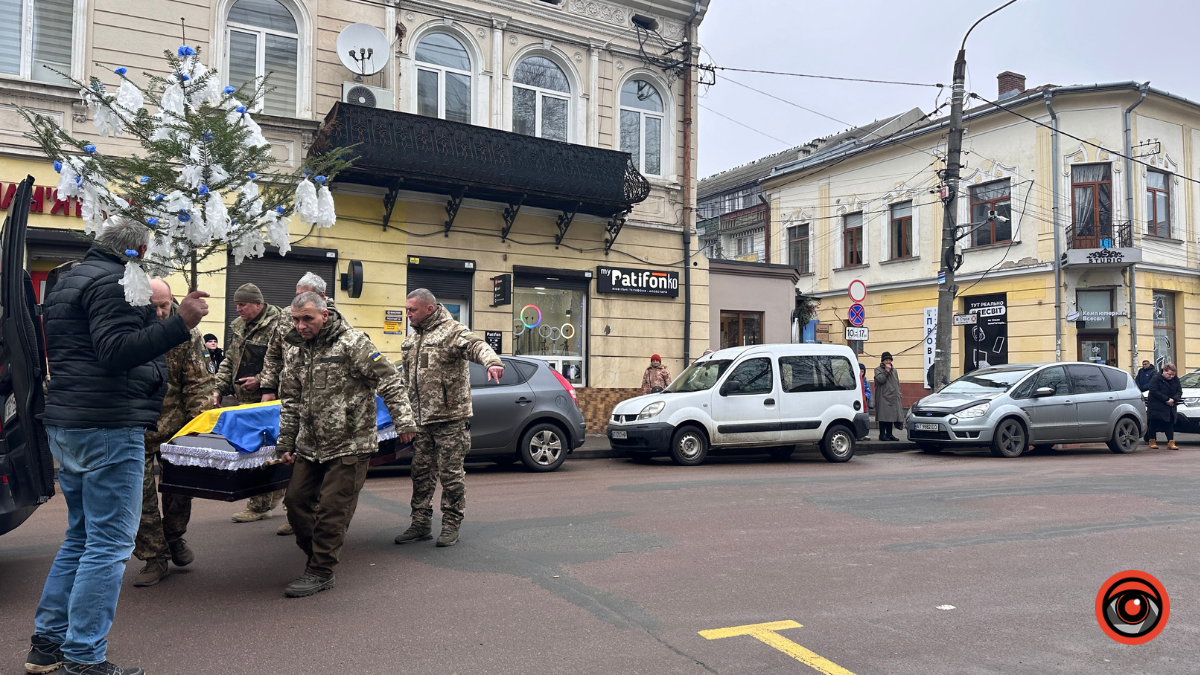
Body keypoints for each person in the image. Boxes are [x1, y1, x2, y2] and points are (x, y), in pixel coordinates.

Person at [25, 219, 209, 675]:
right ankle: (83, 657)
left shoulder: (69, 280)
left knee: (82, 537)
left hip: (72, 422)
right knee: (108, 545)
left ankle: (47, 644)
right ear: (139, 250)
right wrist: (180, 324)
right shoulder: (114, 282)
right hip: (107, 426)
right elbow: (115, 352)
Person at [276, 292, 417, 597]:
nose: (300, 326)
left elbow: (390, 380)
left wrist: (404, 421)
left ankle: (320, 571)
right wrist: (286, 441)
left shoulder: (353, 343)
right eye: (295, 319)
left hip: (349, 443)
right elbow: (289, 400)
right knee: (295, 502)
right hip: (310, 445)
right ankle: (318, 556)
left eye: (307, 319)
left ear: (324, 315)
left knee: (332, 510)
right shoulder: (296, 351)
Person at [395, 289, 503, 548]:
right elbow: (405, 379)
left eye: (412, 310)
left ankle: (451, 525)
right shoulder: (411, 341)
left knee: (451, 474)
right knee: (420, 474)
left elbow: (476, 345)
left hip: (450, 419)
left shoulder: (452, 331)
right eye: (407, 309)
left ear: (429, 309)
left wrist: (492, 362)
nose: (407, 314)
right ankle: (420, 524)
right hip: (421, 421)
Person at [131, 280, 217, 587]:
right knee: (138, 496)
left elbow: (198, 384)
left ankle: (174, 537)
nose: (158, 311)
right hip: (136, 427)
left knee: (180, 489)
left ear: (173, 302)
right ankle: (154, 556)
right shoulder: (129, 330)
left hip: (176, 426)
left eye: (164, 305)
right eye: (152, 305)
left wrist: (197, 429)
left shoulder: (186, 332)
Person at [214, 283, 288, 524]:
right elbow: (229, 361)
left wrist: (260, 381)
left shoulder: (280, 324)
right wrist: (217, 388)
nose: (238, 309)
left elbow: (286, 361)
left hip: (270, 400)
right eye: (236, 304)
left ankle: (259, 506)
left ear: (258, 304)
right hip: (244, 400)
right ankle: (270, 497)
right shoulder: (239, 327)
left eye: (242, 304)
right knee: (255, 453)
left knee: (264, 453)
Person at [1145, 363, 1183, 451]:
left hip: (1170, 405)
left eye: (1173, 374)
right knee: (1153, 423)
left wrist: (1173, 399)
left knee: (1169, 423)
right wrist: (1166, 399)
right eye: (1169, 374)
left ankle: (1171, 443)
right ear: (1164, 371)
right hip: (1156, 405)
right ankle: (1152, 441)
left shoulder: (1176, 380)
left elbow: (1179, 391)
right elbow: (1153, 391)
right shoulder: (1156, 378)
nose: (1171, 376)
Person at [874, 351, 903, 441]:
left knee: (891, 416)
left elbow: (896, 382)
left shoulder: (894, 371)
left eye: (889, 360)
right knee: (883, 416)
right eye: (886, 360)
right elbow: (881, 380)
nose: (888, 362)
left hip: (893, 397)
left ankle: (889, 434)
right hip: (883, 397)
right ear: (882, 361)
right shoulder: (878, 370)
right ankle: (882, 434)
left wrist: (898, 393)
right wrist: (886, 371)